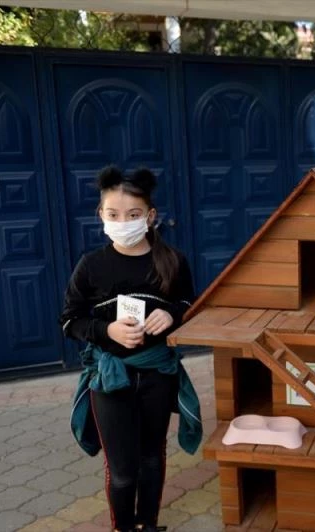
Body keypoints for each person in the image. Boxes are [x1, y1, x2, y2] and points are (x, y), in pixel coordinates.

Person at [61, 166, 202, 532]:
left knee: (152, 458)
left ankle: (149, 524)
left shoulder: (172, 261)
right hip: (111, 380)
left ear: (150, 216)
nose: (123, 222)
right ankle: (122, 528)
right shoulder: (91, 266)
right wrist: (106, 329)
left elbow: (191, 304)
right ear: (101, 215)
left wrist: (172, 314)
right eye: (113, 214)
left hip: (158, 374)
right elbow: (69, 320)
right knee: (123, 470)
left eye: (133, 214)